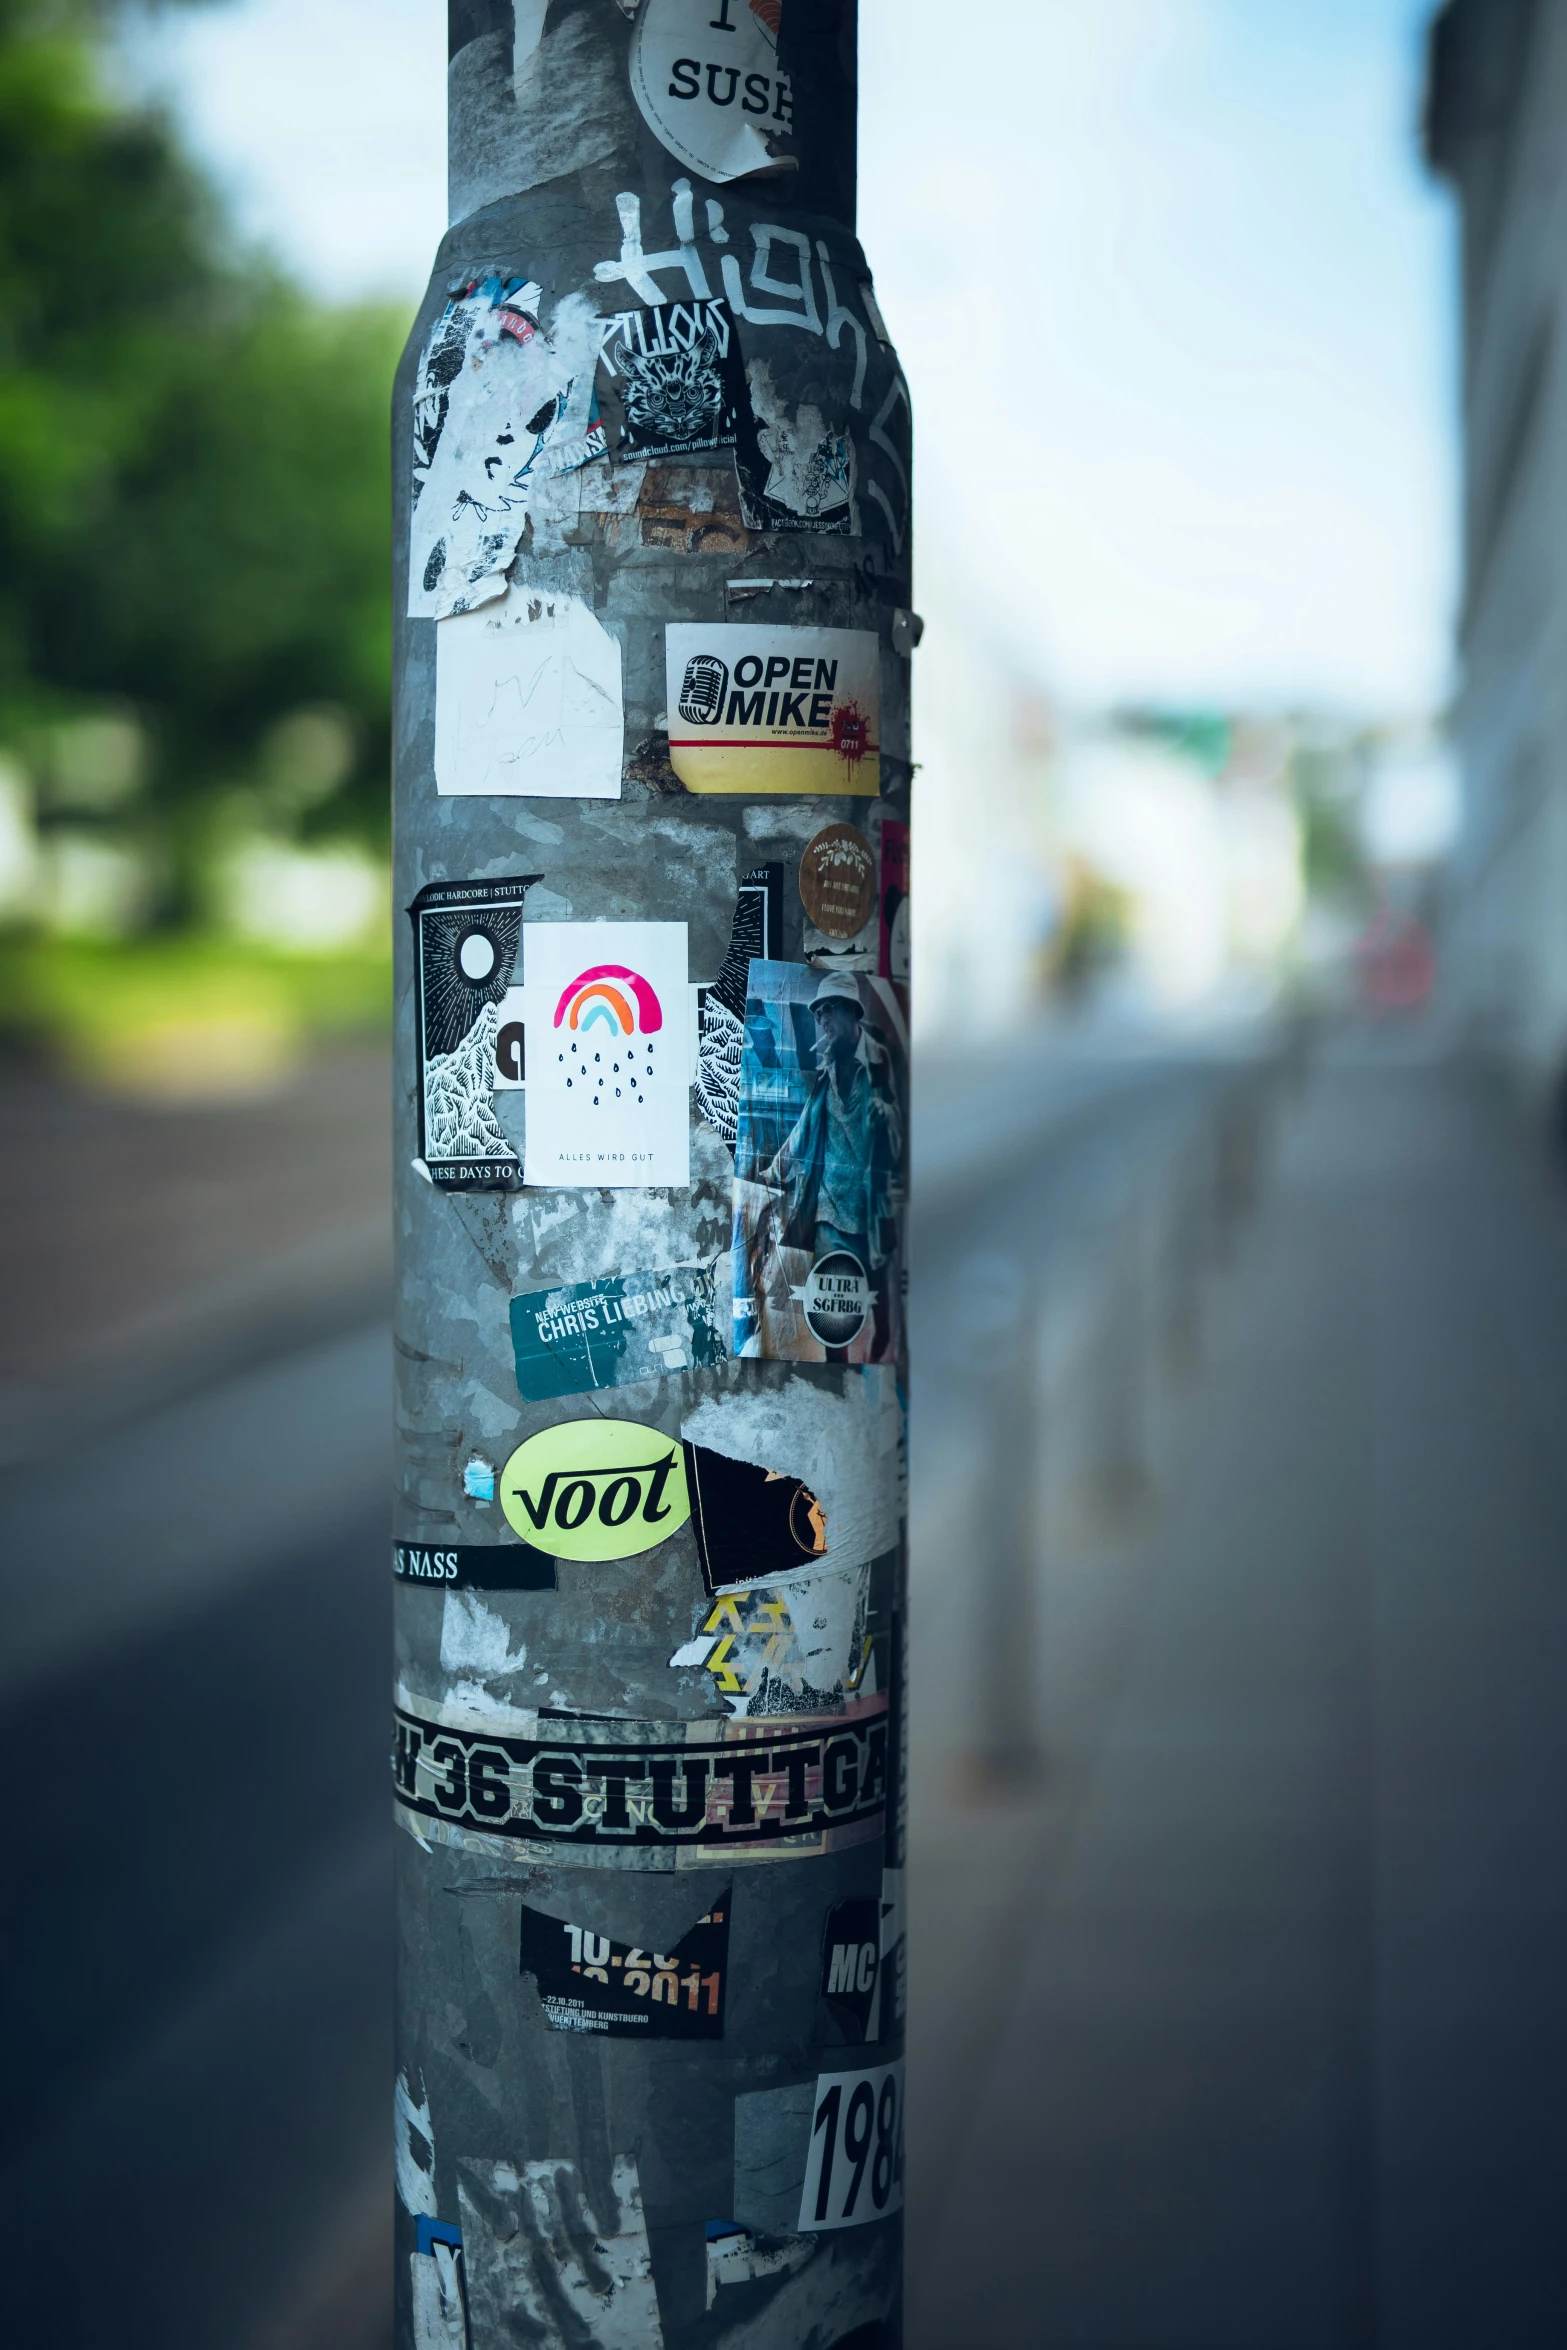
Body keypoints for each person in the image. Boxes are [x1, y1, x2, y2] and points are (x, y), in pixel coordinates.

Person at [760, 975, 903, 1357]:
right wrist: (772, 1173)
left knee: (878, 1304)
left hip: (868, 1207)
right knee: (830, 1308)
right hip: (828, 1210)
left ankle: (876, 1367)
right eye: (818, 1013)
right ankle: (836, 1374)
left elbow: (907, 1131)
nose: (822, 1019)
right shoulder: (826, 1071)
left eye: (829, 1010)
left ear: (851, 1013)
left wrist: (887, 1113)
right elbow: (803, 1131)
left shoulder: (882, 1061)